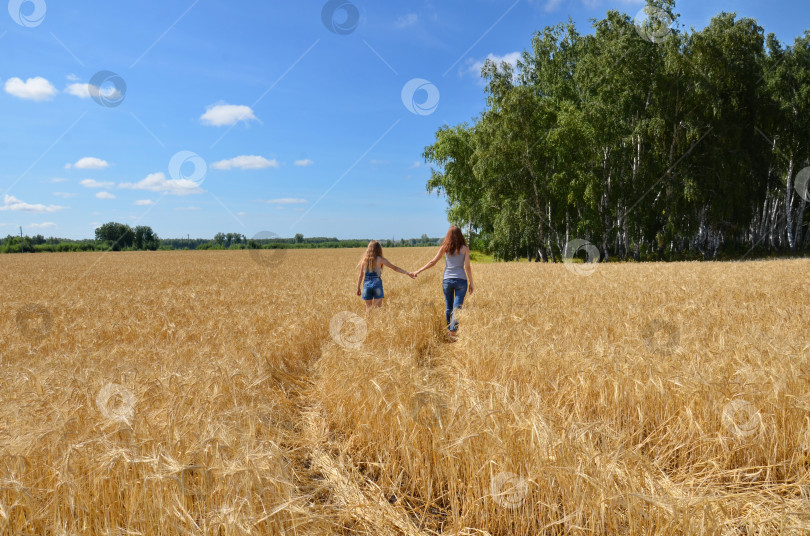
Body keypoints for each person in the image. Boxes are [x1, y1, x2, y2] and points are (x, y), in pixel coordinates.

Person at [411, 226, 474, 340]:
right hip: (461, 281)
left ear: (448, 235)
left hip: (447, 281)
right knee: (457, 307)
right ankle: (452, 332)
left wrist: (418, 271)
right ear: (460, 235)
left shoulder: (445, 247)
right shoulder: (465, 248)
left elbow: (433, 262)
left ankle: (450, 331)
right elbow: (467, 266)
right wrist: (471, 282)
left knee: (449, 307)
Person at [356, 240, 414, 310]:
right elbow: (395, 268)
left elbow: (360, 275)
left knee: (368, 309)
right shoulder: (380, 259)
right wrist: (407, 273)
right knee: (378, 310)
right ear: (378, 249)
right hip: (377, 284)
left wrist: (358, 288)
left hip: (366, 285)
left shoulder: (364, 260)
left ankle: (368, 321)